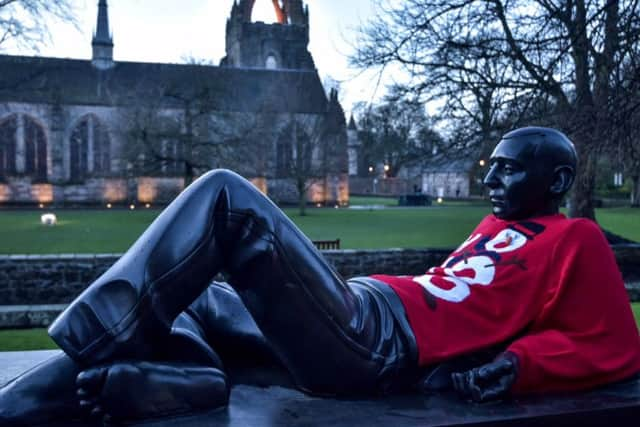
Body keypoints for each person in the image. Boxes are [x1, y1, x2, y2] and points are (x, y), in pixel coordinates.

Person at [1, 127, 639, 425]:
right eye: (490, 166)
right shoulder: (494, 228)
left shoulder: (575, 236)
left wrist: (522, 365)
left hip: (378, 341)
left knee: (227, 200)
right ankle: (193, 382)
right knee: (195, 297)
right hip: (365, 306)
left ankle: (78, 352)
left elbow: (613, 342)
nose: (491, 179)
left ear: (556, 182)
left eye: (508, 169)